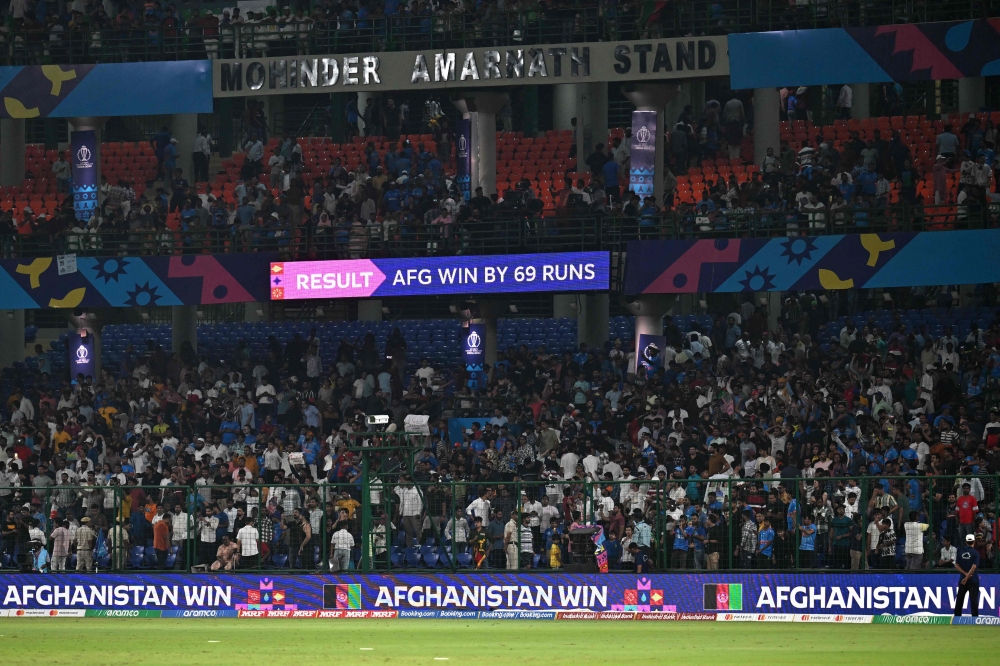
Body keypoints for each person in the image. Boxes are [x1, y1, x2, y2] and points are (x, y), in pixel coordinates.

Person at [954, 533, 980, 617]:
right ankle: (975, 618)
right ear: (974, 542)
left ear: (966, 542)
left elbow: (956, 565)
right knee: (974, 600)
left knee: (960, 599)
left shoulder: (960, 552)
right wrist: (968, 576)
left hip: (962, 580)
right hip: (973, 580)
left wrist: (965, 575)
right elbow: (974, 567)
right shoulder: (975, 553)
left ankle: (957, 617)